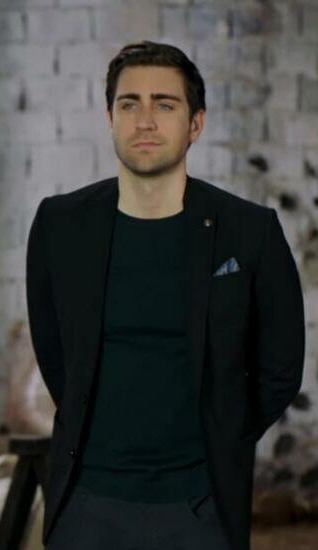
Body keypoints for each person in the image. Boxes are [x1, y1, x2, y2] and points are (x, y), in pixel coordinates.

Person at [26, 41, 304, 550]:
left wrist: (224, 434)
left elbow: (281, 367)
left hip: (200, 508)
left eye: (165, 104)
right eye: (129, 104)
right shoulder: (60, 225)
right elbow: (55, 352)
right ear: (109, 118)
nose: (145, 121)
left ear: (195, 124)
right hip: (86, 505)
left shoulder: (249, 231)